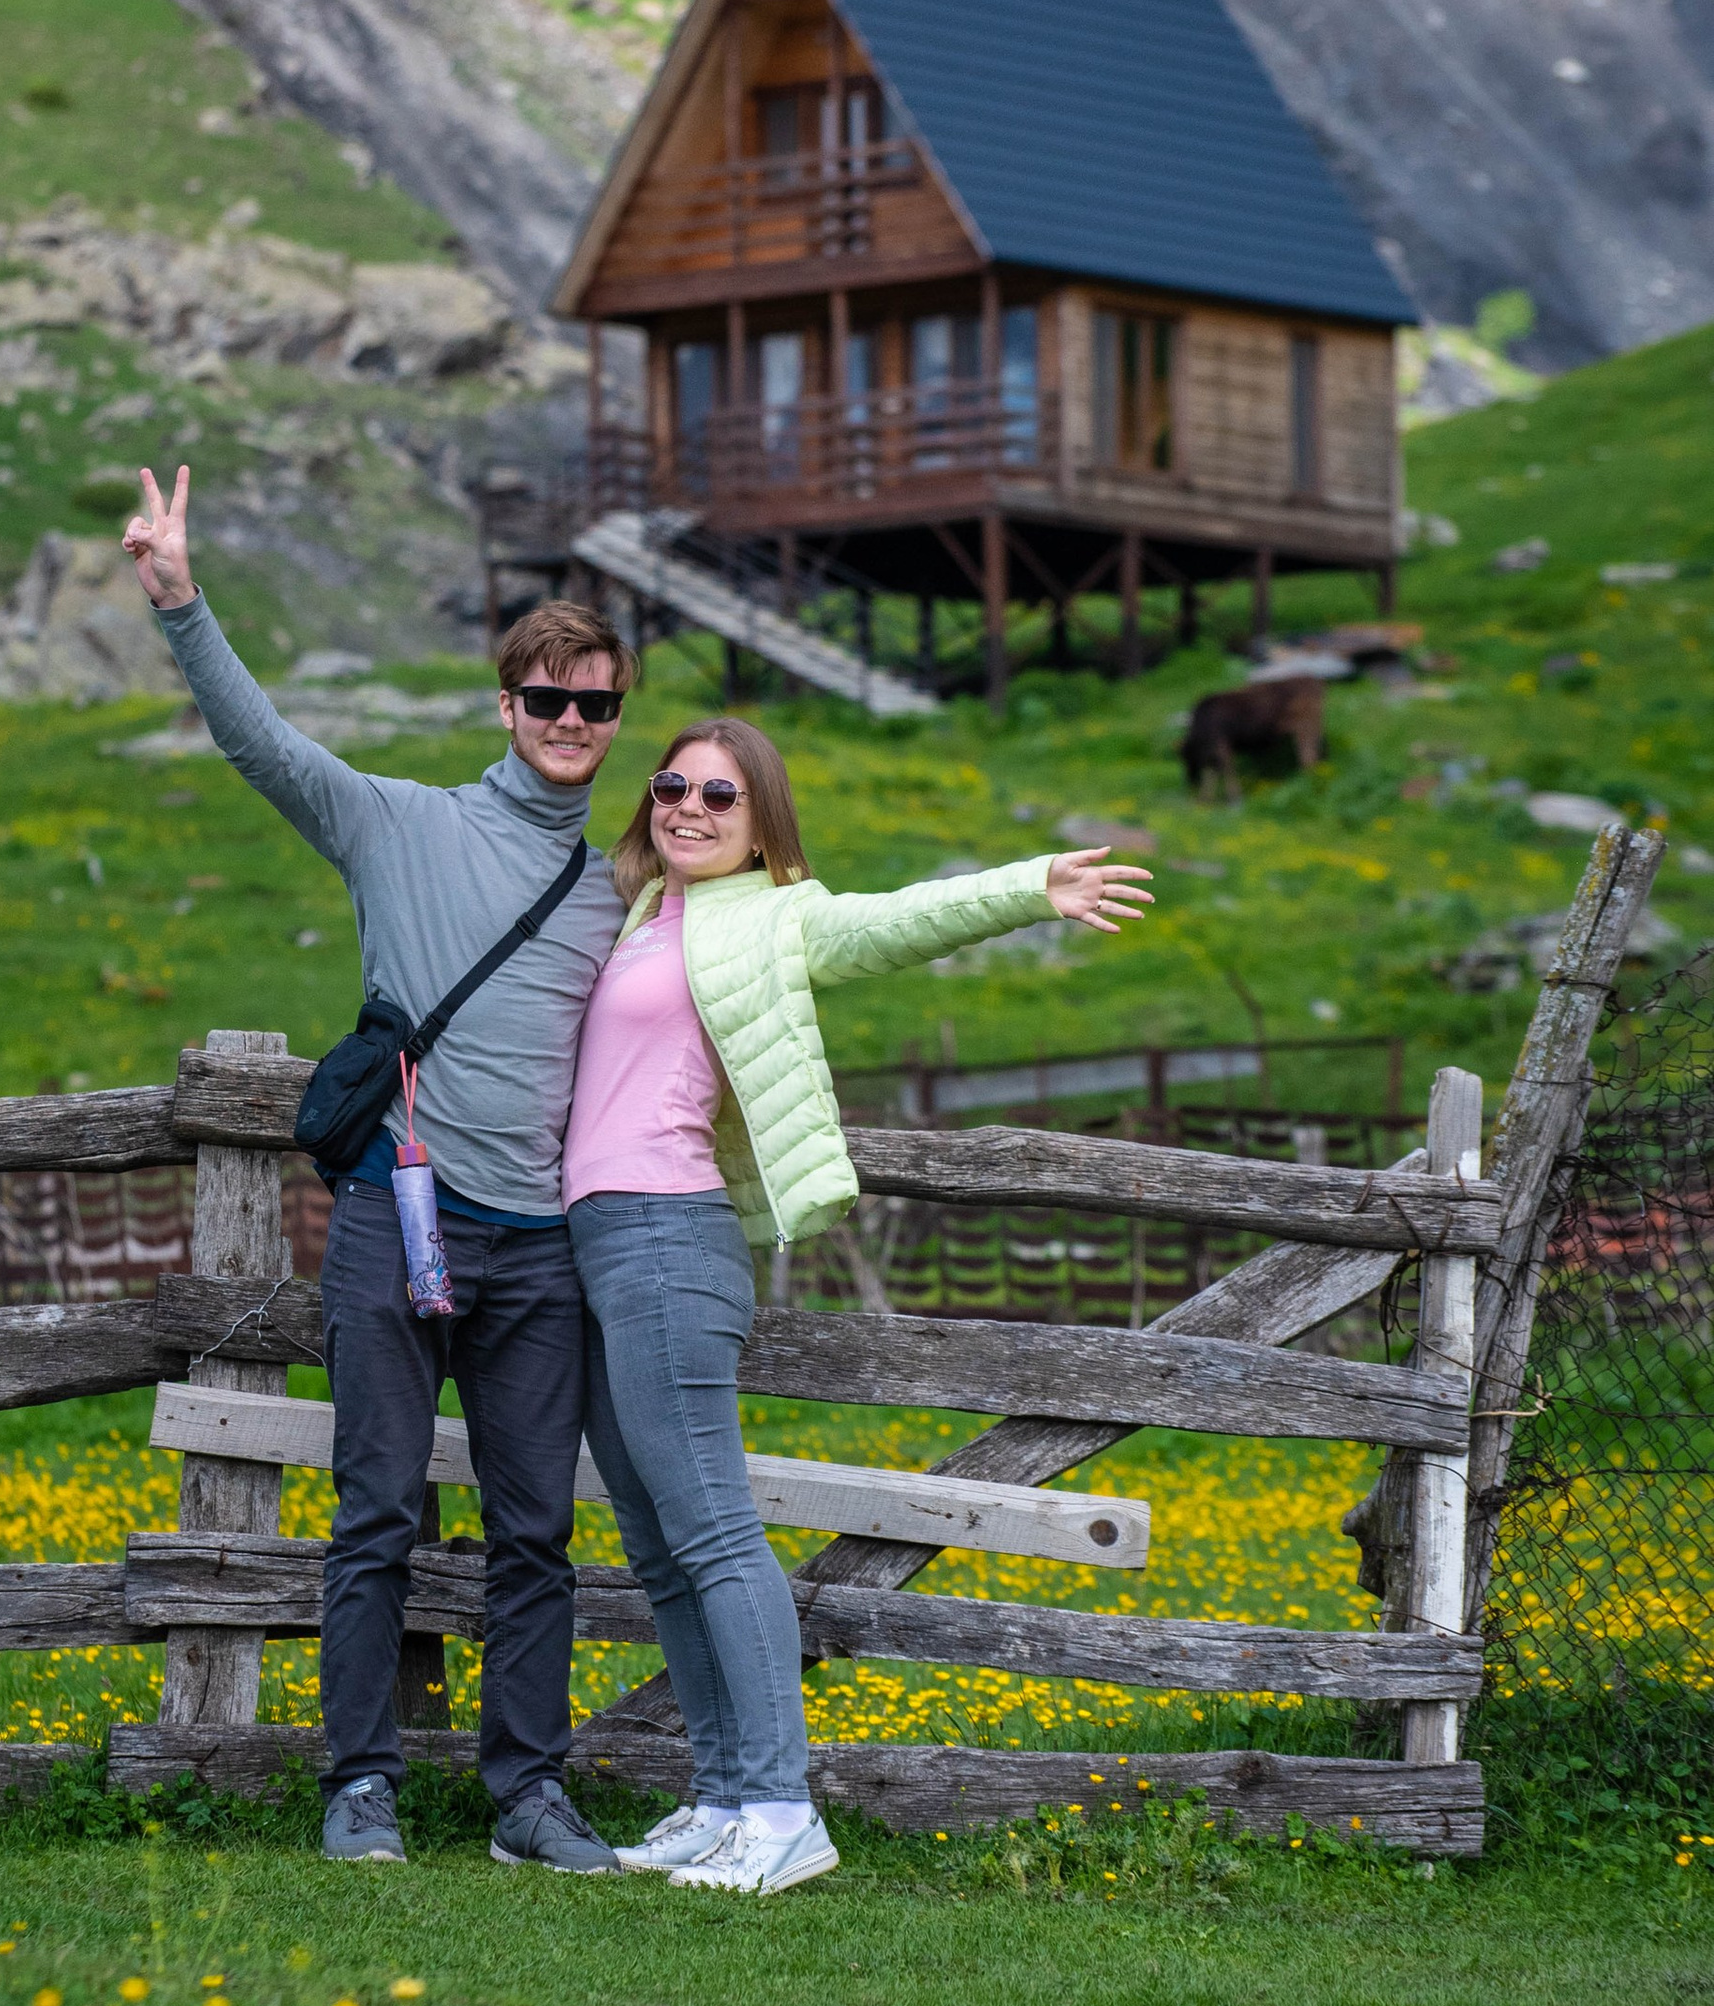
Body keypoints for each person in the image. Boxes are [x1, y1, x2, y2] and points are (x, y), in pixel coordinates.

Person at [120, 463, 637, 1874]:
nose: (574, 723)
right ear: (507, 706)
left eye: (598, 704)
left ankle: (529, 1797)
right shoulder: (401, 823)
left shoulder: (624, 883)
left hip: (540, 1249)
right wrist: (179, 601)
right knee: (378, 1516)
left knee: (537, 1530)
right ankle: (363, 1787)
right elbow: (266, 746)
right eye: (551, 699)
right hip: (391, 1223)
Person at [561, 714, 1155, 1897]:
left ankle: (783, 1812)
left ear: (761, 821)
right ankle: (722, 1793)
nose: (688, 806)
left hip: (669, 1238)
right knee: (657, 1542)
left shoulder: (776, 914)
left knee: (714, 1530)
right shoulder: (635, 912)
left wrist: (1032, 884)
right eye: (672, 784)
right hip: (592, 1240)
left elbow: (894, 921)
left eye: (720, 796)